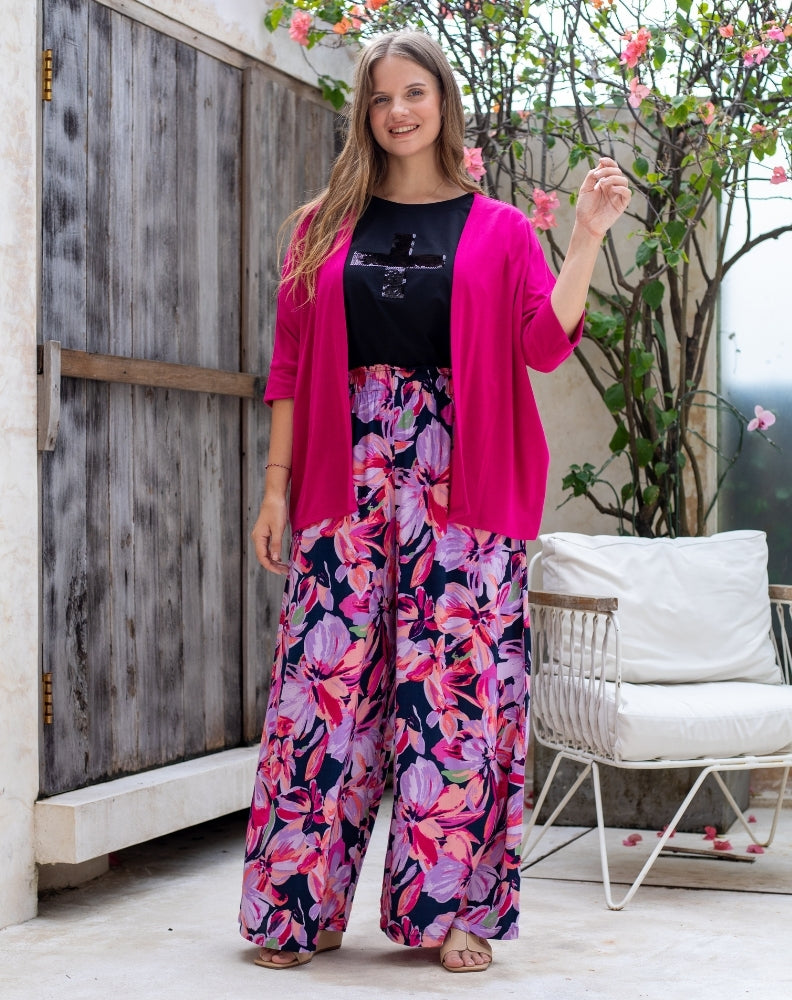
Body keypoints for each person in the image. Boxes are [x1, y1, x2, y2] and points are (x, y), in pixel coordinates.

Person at [239, 29, 630, 973]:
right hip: (344, 471)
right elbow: (291, 366)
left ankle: (458, 913)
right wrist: (275, 489)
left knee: (456, 698)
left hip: (466, 481)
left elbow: (542, 344)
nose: (397, 111)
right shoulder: (320, 225)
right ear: (364, 114)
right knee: (320, 695)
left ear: (442, 102)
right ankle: (299, 907)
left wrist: (582, 237)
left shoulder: (499, 228)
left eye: (413, 93)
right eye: (380, 98)